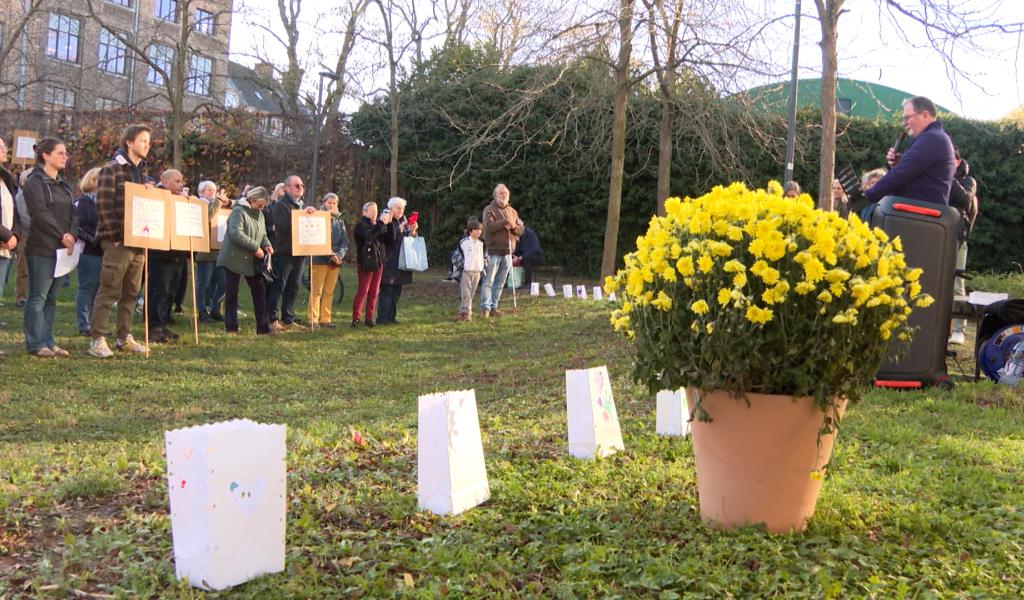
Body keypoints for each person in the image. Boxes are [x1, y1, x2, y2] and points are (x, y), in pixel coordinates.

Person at [89, 124, 152, 358]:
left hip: (139, 241)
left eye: (148, 141)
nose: (147, 145)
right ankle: (98, 338)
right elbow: (103, 205)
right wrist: (115, 237)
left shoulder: (142, 171)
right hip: (118, 241)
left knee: (131, 292)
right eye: (143, 140)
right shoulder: (112, 169)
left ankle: (124, 336)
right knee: (109, 289)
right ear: (129, 142)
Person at [22, 138, 77, 357]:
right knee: (38, 297)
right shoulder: (35, 182)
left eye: (66, 153)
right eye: (60, 153)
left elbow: (75, 212)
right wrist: (60, 234)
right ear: (45, 155)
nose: (65, 157)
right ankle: (35, 343)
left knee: (52, 298)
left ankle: (48, 339)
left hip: (62, 249)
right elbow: (40, 213)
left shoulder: (63, 185)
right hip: (42, 247)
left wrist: (72, 233)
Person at [864, 96, 955, 206]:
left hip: (921, 216)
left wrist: (867, 196)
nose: (904, 123)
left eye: (907, 118)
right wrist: (899, 163)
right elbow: (913, 173)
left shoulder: (932, 139)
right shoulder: (934, 137)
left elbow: (901, 174)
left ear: (925, 115)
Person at [218, 186, 274, 335]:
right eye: (260, 205)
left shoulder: (260, 215)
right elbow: (236, 233)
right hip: (233, 258)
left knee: (259, 291)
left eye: (264, 206)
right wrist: (256, 247)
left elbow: (262, 233)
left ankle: (263, 328)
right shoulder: (238, 211)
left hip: (251, 260)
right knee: (232, 293)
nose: (262, 208)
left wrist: (267, 244)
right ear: (252, 200)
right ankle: (231, 327)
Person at [267, 175, 314, 332]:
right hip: (284, 253)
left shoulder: (301, 206)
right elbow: (285, 227)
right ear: (286, 188)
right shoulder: (281, 205)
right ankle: (272, 319)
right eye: (296, 185)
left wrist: (310, 217)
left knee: (294, 286)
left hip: (300, 253)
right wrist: (303, 218)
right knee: (279, 286)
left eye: (302, 185)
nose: (300, 187)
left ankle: (288, 319)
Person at [147, 169, 188, 343]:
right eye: (177, 181)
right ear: (165, 182)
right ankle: (154, 327)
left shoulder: (181, 200)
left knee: (171, 291)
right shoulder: (154, 197)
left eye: (182, 181)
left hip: (177, 253)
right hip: (160, 254)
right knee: (159, 291)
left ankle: (164, 323)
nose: (181, 185)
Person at [948, 151, 979, 346]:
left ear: (957, 161)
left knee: (956, 284)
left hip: (958, 238)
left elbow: (964, 199)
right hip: (936, 235)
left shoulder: (969, 181)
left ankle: (959, 330)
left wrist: (947, 175)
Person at [480, 183, 524, 318]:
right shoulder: (489, 209)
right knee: (488, 281)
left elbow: (521, 229)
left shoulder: (513, 211)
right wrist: (504, 222)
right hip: (494, 250)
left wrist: (513, 227)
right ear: (495, 195)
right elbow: (488, 227)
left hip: (508, 252)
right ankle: (485, 308)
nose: (504, 195)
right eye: (501, 193)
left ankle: (494, 307)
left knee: (500, 283)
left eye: (506, 193)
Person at [308, 193, 349, 330]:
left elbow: (344, 241)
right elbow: (316, 239)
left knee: (329, 291)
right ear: (324, 203)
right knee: (316, 291)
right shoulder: (317, 217)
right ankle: (313, 319)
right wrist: (329, 254)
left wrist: (339, 256)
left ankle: (325, 318)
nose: (332, 205)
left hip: (335, 261)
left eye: (335, 203)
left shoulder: (339, 220)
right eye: (329, 203)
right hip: (319, 259)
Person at [194, 180, 231, 323]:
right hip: (205, 251)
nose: (213, 192)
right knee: (203, 283)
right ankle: (202, 312)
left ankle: (215, 309)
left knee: (224, 283)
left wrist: (224, 202)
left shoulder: (219, 204)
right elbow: (207, 217)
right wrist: (219, 202)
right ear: (201, 192)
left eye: (214, 190)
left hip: (220, 250)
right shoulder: (200, 203)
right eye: (209, 190)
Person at [377, 196, 417, 325]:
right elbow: (384, 237)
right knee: (387, 290)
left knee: (397, 291)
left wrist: (412, 231)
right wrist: (398, 230)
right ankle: (382, 318)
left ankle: (392, 317)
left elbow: (408, 241)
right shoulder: (386, 219)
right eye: (398, 208)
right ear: (391, 208)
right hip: (389, 260)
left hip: (401, 261)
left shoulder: (405, 221)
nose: (400, 210)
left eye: (402, 208)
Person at [351, 201, 391, 327]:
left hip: (378, 262)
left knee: (374, 292)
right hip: (366, 262)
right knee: (363, 290)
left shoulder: (378, 225)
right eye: (372, 211)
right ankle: (356, 318)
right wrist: (380, 224)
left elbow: (388, 239)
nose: (374, 214)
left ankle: (369, 318)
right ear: (365, 212)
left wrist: (388, 224)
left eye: (376, 211)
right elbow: (369, 236)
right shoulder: (360, 225)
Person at [73, 167, 103, 336]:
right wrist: (96, 240)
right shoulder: (84, 202)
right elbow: (80, 227)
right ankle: (84, 323)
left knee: (99, 289)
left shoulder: (104, 202)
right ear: (92, 181)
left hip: (102, 251)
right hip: (89, 251)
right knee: (87, 287)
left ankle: (94, 321)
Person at [0, 137, 21, 314]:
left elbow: (14, 209)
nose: (5, 150)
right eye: (1, 147)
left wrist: (15, 235)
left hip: (5, 245)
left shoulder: (6, 178)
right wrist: (6, 235)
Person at [458, 218, 485, 322]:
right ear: (470, 230)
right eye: (476, 229)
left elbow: (484, 255)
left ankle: (462, 312)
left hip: (477, 271)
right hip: (466, 271)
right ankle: (468, 313)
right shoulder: (464, 242)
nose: (478, 232)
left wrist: (482, 266)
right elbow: (460, 255)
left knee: (472, 294)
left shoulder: (481, 243)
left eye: (480, 229)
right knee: (466, 294)